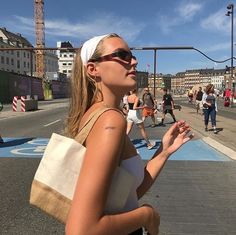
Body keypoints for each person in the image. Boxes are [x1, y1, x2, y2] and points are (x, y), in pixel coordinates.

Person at [65, 33, 194, 235]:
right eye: (122, 55)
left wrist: (164, 151)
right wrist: (147, 215)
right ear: (93, 69)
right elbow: (82, 230)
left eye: (132, 56)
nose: (133, 61)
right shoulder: (110, 120)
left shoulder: (95, 115)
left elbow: (127, 195)